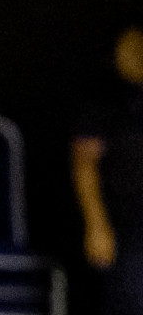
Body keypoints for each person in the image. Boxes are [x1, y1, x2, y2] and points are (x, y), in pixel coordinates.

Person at [75, 22, 143, 314]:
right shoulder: (103, 102)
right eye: (131, 47)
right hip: (123, 220)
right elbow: (84, 164)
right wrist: (96, 225)